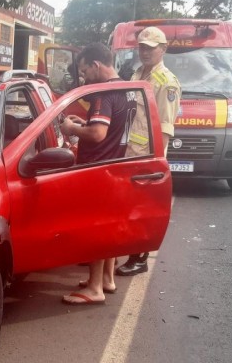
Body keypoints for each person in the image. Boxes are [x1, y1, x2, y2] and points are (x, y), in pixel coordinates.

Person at [60, 43, 136, 305]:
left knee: (95, 229)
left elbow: (98, 134)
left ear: (96, 65)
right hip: (115, 165)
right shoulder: (126, 89)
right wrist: (87, 123)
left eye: (84, 71)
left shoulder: (102, 94)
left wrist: (72, 128)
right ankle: (107, 278)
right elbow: (109, 127)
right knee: (108, 226)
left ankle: (94, 289)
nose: (83, 77)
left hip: (98, 168)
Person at [117, 26, 181, 277]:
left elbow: (165, 126)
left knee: (142, 209)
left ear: (163, 50)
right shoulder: (136, 73)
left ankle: (139, 258)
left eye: (150, 48)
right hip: (128, 152)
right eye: (142, 47)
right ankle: (125, 250)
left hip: (145, 156)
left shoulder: (167, 83)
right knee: (127, 206)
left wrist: (156, 163)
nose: (145, 52)